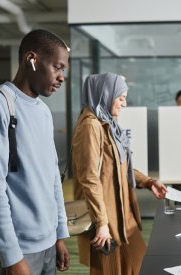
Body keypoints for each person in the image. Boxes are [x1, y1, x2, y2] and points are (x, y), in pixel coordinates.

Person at [0, 29, 70, 275]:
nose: (61, 77)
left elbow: (52, 178)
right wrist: (11, 256)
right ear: (31, 60)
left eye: (63, 70)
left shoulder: (44, 111)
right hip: (17, 249)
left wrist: (59, 234)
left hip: (47, 243)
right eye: (57, 67)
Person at [72, 73, 167, 275]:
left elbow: (121, 166)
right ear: (105, 94)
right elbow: (89, 179)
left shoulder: (110, 125)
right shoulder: (91, 126)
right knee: (112, 271)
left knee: (138, 265)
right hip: (107, 219)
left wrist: (149, 182)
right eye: (121, 97)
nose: (124, 104)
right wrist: (101, 223)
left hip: (124, 216)